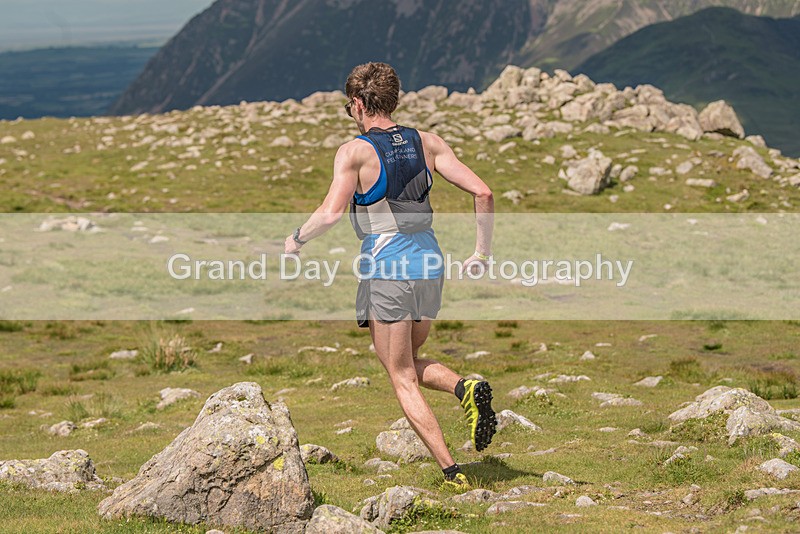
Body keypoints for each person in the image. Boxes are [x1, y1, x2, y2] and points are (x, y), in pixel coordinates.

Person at [284, 62, 496, 488]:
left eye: (349, 108)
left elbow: (330, 214)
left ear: (359, 104)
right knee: (405, 362)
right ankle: (464, 390)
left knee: (399, 373)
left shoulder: (355, 152)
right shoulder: (429, 142)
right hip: (430, 264)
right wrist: (481, 253)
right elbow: (483, 191)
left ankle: (452, 471)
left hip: (388, 269)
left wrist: (296, 239)